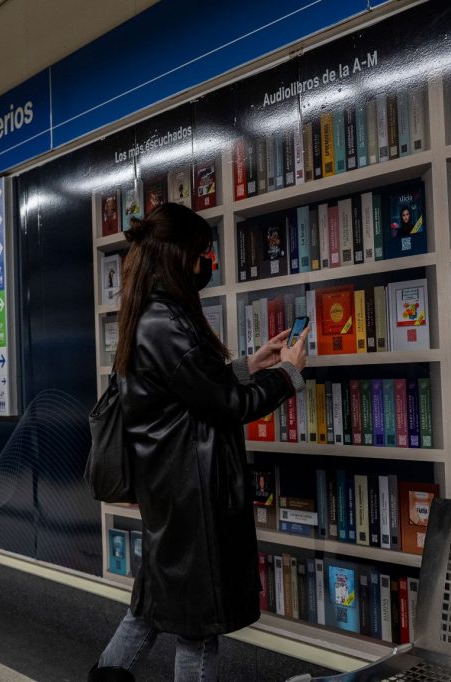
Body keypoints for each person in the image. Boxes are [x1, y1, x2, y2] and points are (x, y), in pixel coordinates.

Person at [91, 203, 308, 682]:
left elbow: (183, 389)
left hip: (170, 490)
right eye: (201, 254)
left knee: (148, 609)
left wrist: (251, 365)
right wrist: (289, 373)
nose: (205, 264)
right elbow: (229, 405)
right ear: (180, 256)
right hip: (192, 497)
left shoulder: (148, 313)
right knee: (197, 629)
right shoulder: (167, 321)